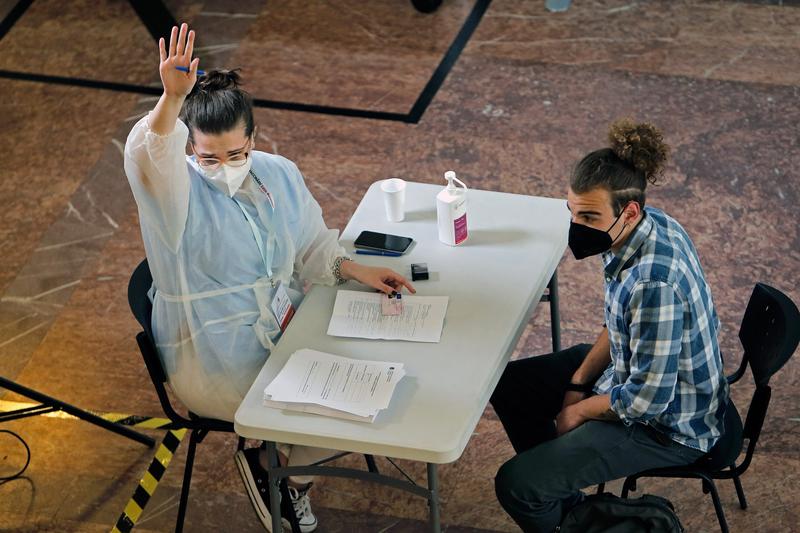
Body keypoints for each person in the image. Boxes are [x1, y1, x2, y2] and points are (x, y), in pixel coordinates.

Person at [124, 24, 415, 532]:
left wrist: (355, 268)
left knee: (383, 379)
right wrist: (172, 100)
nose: (226, 167)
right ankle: (277, 472)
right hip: (214, 352)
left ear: (253, 139)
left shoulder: (277, 172)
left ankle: (284, 460)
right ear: (189, 149)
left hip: (284, 324)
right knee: (349, 410)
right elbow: (150, 154)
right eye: (209, 157)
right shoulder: (175, 194)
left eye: (237, 154)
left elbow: (308, 242)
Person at [489, 119, 729, 532]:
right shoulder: (644, 228)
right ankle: (564, 497)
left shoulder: (654, 283)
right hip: (631, 374)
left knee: (516, 485)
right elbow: (619, 325)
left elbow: (646, 402)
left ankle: (569, 514)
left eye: (588, 215)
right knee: (509, 384)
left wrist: (577, 412)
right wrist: (578, 383)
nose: (576, 227)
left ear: (629, 210)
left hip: (668, 426)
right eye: (571, 211)